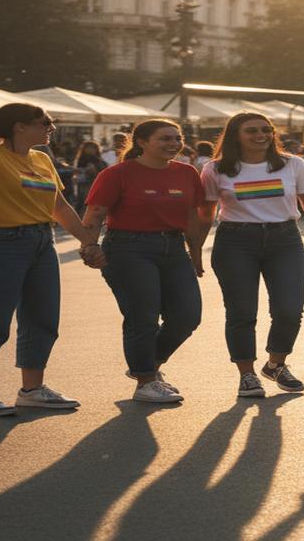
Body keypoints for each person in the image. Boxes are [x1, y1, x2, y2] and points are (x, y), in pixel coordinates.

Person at [0, 83, 100, 417]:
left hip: (42, 242)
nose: (51, 128)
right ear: (20, 127)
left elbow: (58, 205)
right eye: (45, 123)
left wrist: (87, 241)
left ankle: (32, 389)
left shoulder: (41, 159)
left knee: (42, 318)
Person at [200, 112, 304, 398]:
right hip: (235, 241)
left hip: (284, 240)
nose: (261, 135)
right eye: (251, 131)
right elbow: (205, 214)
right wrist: (193, 251)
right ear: (235, 135)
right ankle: (247, 375)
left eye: (266, 130)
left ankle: (276, 364)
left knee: (289, 309)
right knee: (241, 311)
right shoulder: (216, 169)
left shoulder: (293, 164)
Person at [81, 119, 208, 404]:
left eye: (177, 138)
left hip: (174, 249)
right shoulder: (117, 174)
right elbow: (95, 214)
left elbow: (191, 217)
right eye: (164, 139)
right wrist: (89, 246)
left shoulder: (187, 173)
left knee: (187, 316)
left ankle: (148, 365)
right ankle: (145, 381)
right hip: (128, 248)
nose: (173, 144)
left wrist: (195, 255)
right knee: (143, 317)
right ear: (142, 142)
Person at [72, 141, 107, 216]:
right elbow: (77, 171)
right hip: (84, 183)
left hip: (96, 183)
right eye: (88, 147)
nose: (91, 149)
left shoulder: (99, 160)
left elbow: (104, 171)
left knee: (93, 202)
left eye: (93, 148)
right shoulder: (81, 159)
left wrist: (94, 170)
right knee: (82, 201)